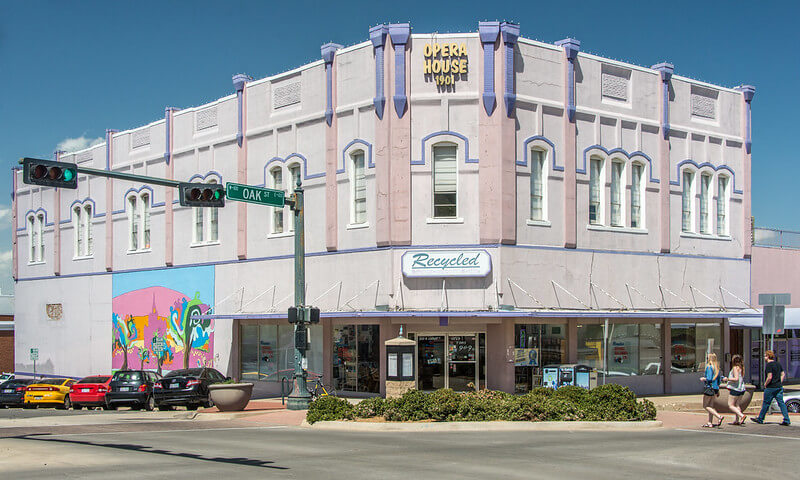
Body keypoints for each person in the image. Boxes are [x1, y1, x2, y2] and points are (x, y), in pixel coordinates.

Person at [752, 350, 791, 426]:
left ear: (768, 356)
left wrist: (765, 384)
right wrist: (780, 382)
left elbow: (769, 377)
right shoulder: (778, 364)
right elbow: (783, 374)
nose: (764, 357)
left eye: (765, 356)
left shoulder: (769, 365)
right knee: (781, 403)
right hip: (778, 387)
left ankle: (760, 418)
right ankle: (786, 419)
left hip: (771, 387)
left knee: (766, 403)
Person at [699, 352, 724, 427]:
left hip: (709, 388)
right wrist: (718, 389)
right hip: (715, 388)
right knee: (711, 406)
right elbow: (719, 380)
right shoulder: (717, 368)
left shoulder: (709, 367)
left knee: (705, 406)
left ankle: (718, 416)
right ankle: (710, 422)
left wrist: (704, 379)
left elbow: (709, 378)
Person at [722, 354, 747, 425]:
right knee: (737, 404)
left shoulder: (735, 368)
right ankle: (737, 420)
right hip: (741, 388)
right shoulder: (741, 368)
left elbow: (736, 378)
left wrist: (727, 379)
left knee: (730, 405)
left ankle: (741, 415)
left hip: (735, 388)